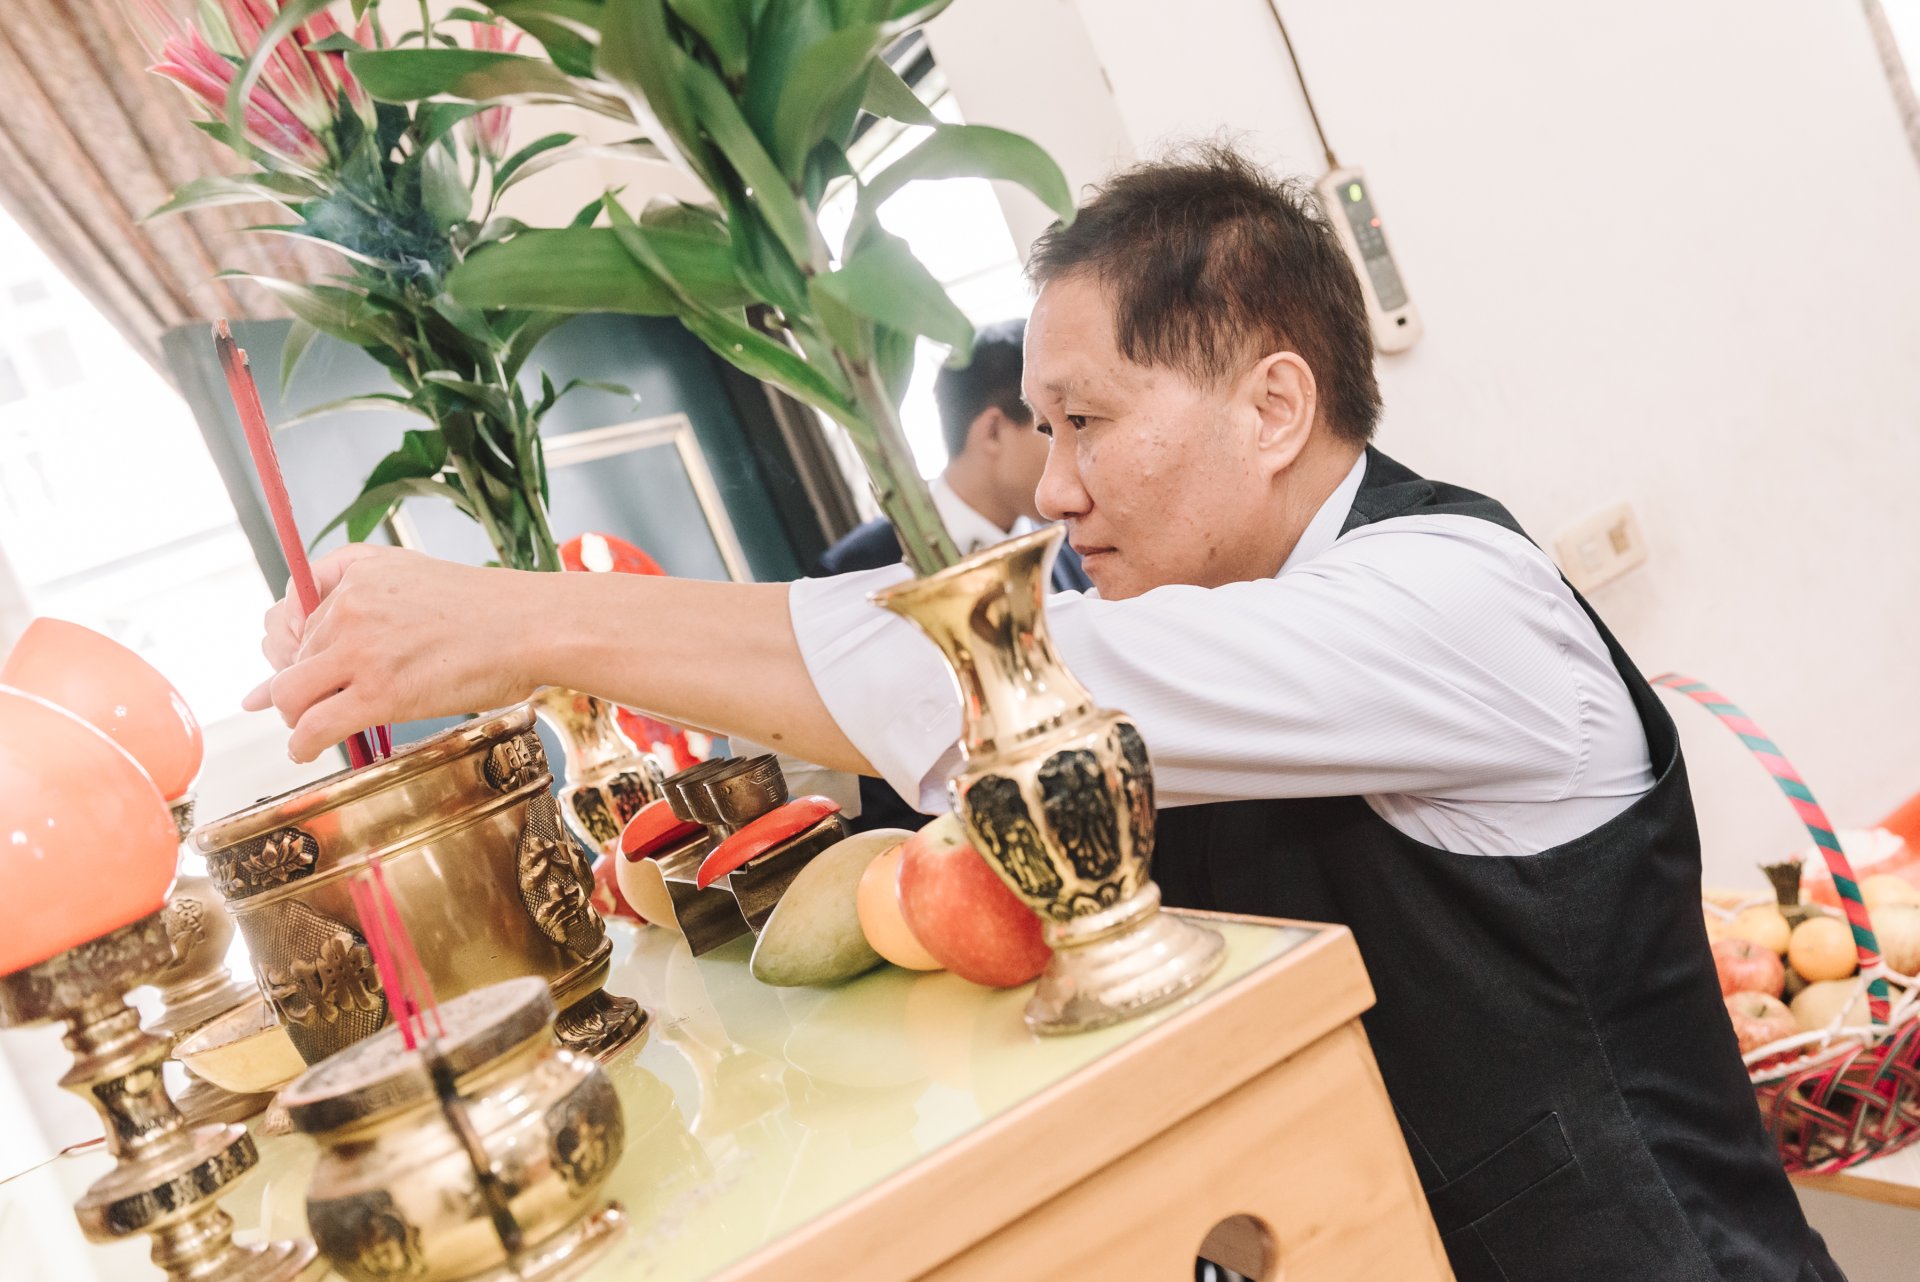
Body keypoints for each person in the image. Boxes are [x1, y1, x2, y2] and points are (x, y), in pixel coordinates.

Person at [247, 145, 1843, 1282]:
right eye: (1045, 426)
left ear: (1274, 404)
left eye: (1088, 422)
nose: (1055, 487)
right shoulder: (1203, 602)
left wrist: (518, 623)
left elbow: (1002, 692)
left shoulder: (1457, 600)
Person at [814, 316, 1088, 831]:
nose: (1074, 455)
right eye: (1051, 430)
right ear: (992, 431)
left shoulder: (1076, 539)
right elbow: (872, 776)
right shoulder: (856, 570)